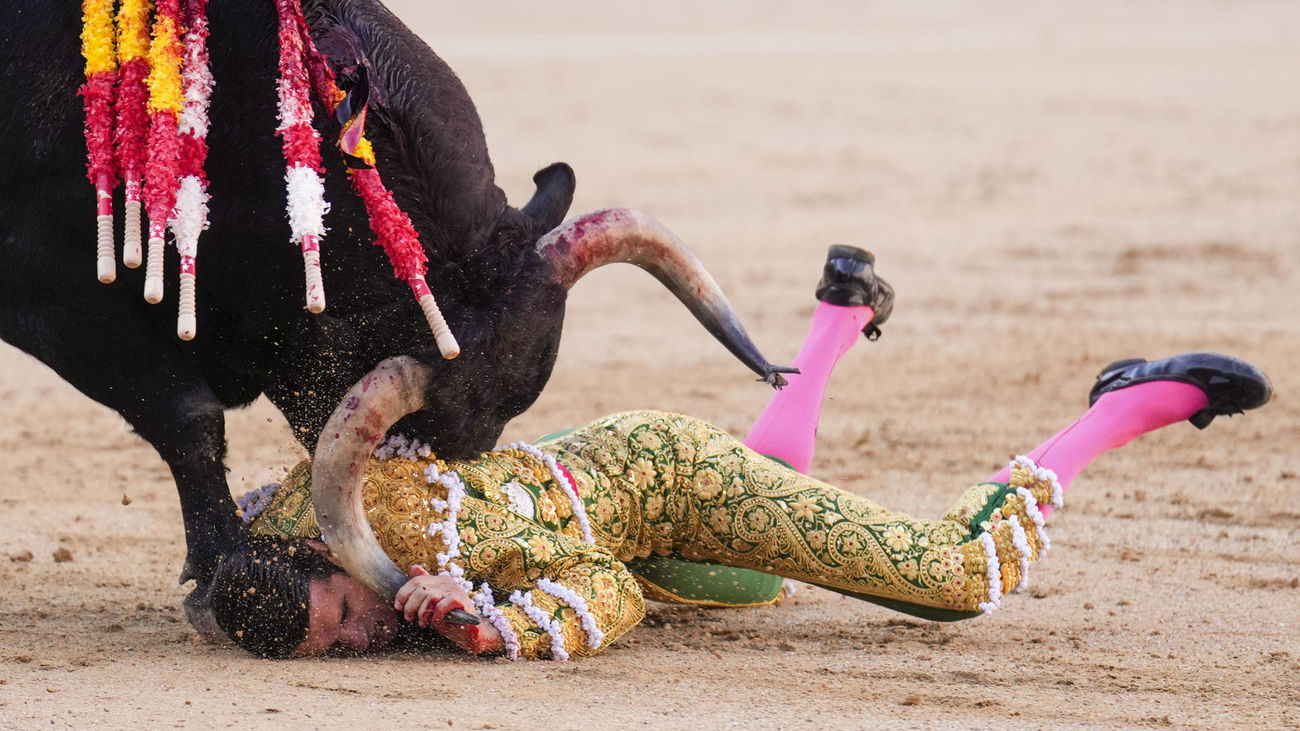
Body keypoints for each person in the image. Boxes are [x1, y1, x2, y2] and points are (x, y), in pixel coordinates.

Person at [207, 247, 1271, 659]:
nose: (360, 631)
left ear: (324, 555)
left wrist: (497, 625)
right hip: (609, 486)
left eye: (341, 612)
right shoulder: (278, 535)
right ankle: (834, 322)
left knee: (950, 577)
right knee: (756, 574)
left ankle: (1128, 404)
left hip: (665, 479)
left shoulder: (410, 531)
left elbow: (600, 584)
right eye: (332, 645)